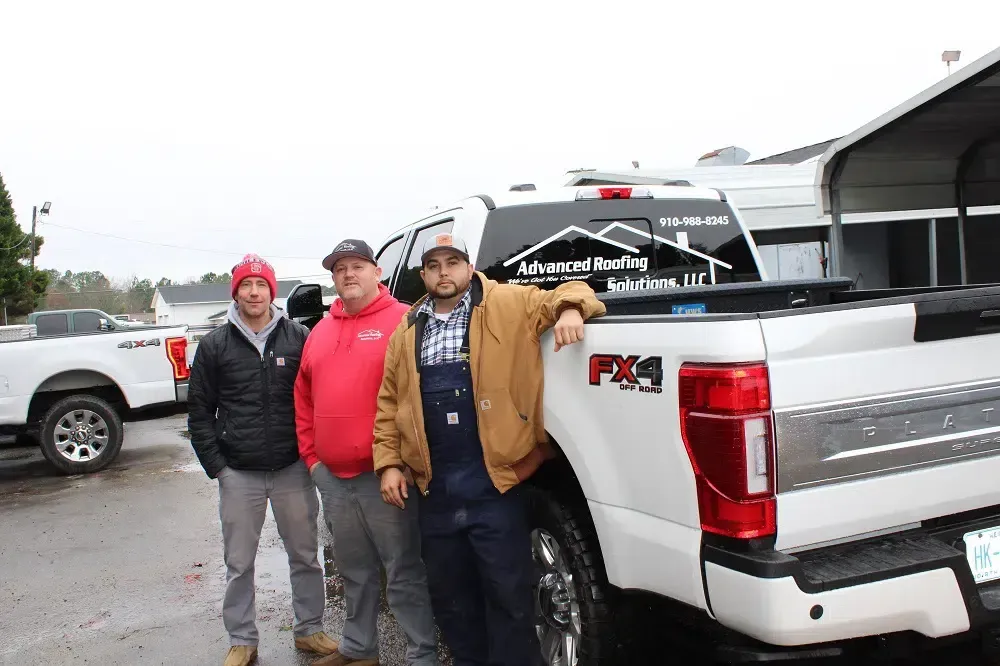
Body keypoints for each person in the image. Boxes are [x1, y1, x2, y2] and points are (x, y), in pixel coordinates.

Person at [373, 233, 605, 666]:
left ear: (468, 266)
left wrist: (572, 310)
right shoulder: (406, 330)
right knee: (452, 600)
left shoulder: (508, 303)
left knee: (509, 597)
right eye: (435, 265)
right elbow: (389, 401)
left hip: (495, 486)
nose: (445, 271)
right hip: (435, 491)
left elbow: (572, 290)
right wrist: (388, 464)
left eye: (453, 262)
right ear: (423, 274)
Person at [188, 253, 339, 666]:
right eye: (246, 285)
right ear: (235, 292)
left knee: (306, 555)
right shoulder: (215, 345)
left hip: (293, 468)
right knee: (239, 562)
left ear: (273, 291)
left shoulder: (298, 338)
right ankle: (242, 639)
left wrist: (315, 455)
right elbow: (199, 412)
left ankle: (310, 629)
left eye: (262, 285)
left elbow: (317, 398)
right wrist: (218, 466)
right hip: (239, 473)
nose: (254, 292)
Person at [295, 239, 440, 666]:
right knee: (353, 570)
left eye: (358, 265)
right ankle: (359, 649)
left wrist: (403, 461)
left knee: (403, 571)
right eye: (340, 269)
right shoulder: (320, 332)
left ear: (377, 272)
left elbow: (421, 396)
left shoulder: (405, 321)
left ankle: (422, 654)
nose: (349, 274)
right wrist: (313, 460)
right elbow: (303, 398)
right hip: (333, 478)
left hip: (386, 477)